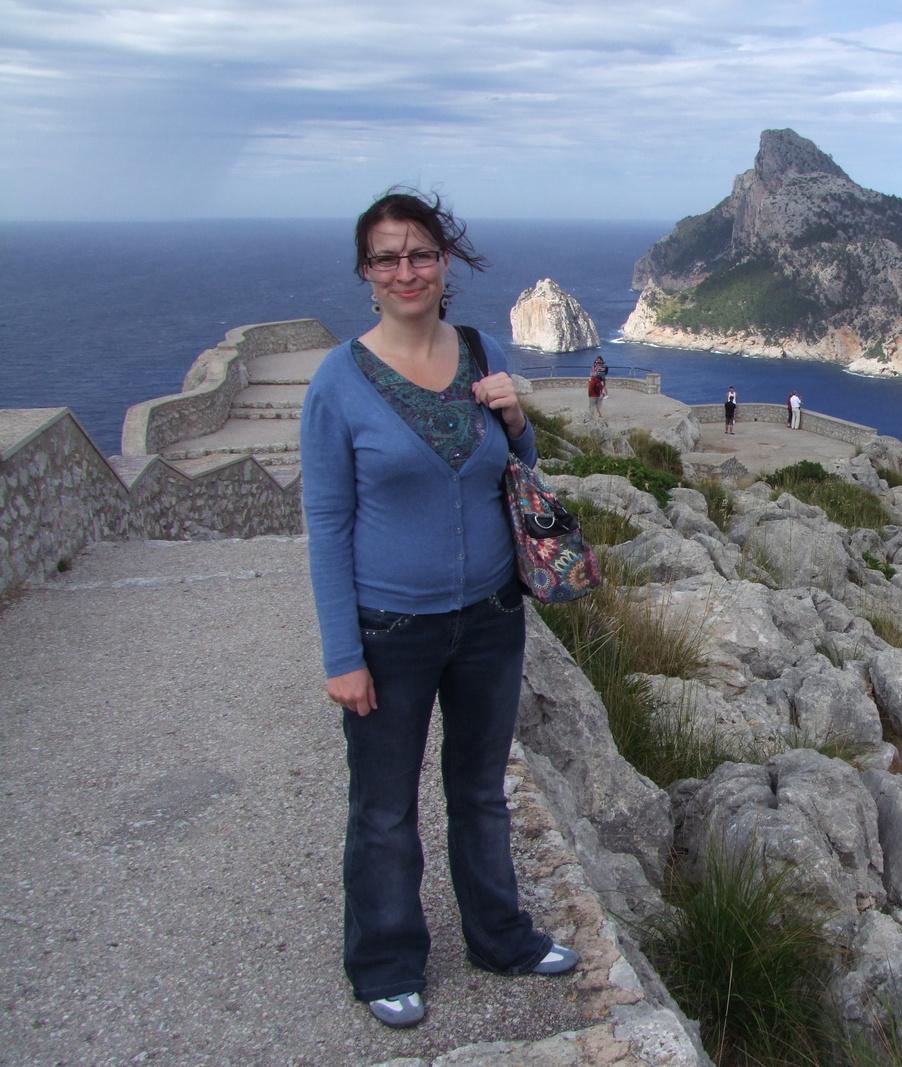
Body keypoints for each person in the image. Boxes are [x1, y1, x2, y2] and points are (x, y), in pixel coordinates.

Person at [301, 188, 578, 1031]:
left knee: (480, 790)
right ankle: (386, 959)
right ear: (366, 274)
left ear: (444, 263)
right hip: (391, 630)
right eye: (388, 257)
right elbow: (326, 525)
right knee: (384, 804)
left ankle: (501, 936)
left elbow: (517, 466)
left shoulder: (479, 348)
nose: (406, 269)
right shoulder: (337, 382)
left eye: (419, 252)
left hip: (491, 617)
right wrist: (341, 654)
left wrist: (518, 417)